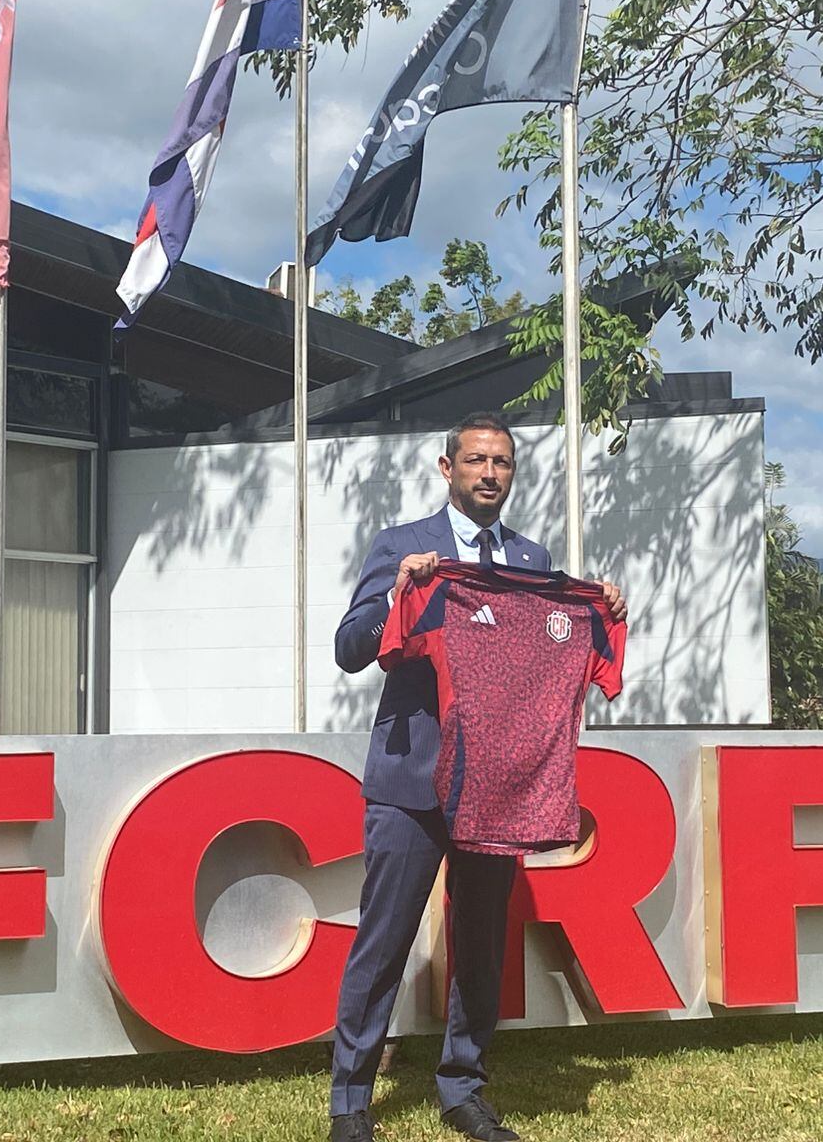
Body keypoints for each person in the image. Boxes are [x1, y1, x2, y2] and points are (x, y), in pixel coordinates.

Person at [327, 412, 627, 1142]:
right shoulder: (402, 546)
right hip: (410, 779)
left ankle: (463, 1086)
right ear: (446, 468)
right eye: (475, 462)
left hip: (497, 788)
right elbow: (348, 648)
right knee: (383, 939)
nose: (489, 474)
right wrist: (396, 596)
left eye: (501, 463)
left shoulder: (532, 559)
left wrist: (604, 612)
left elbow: (550, 650)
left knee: (482, 942)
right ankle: (350, 1102)